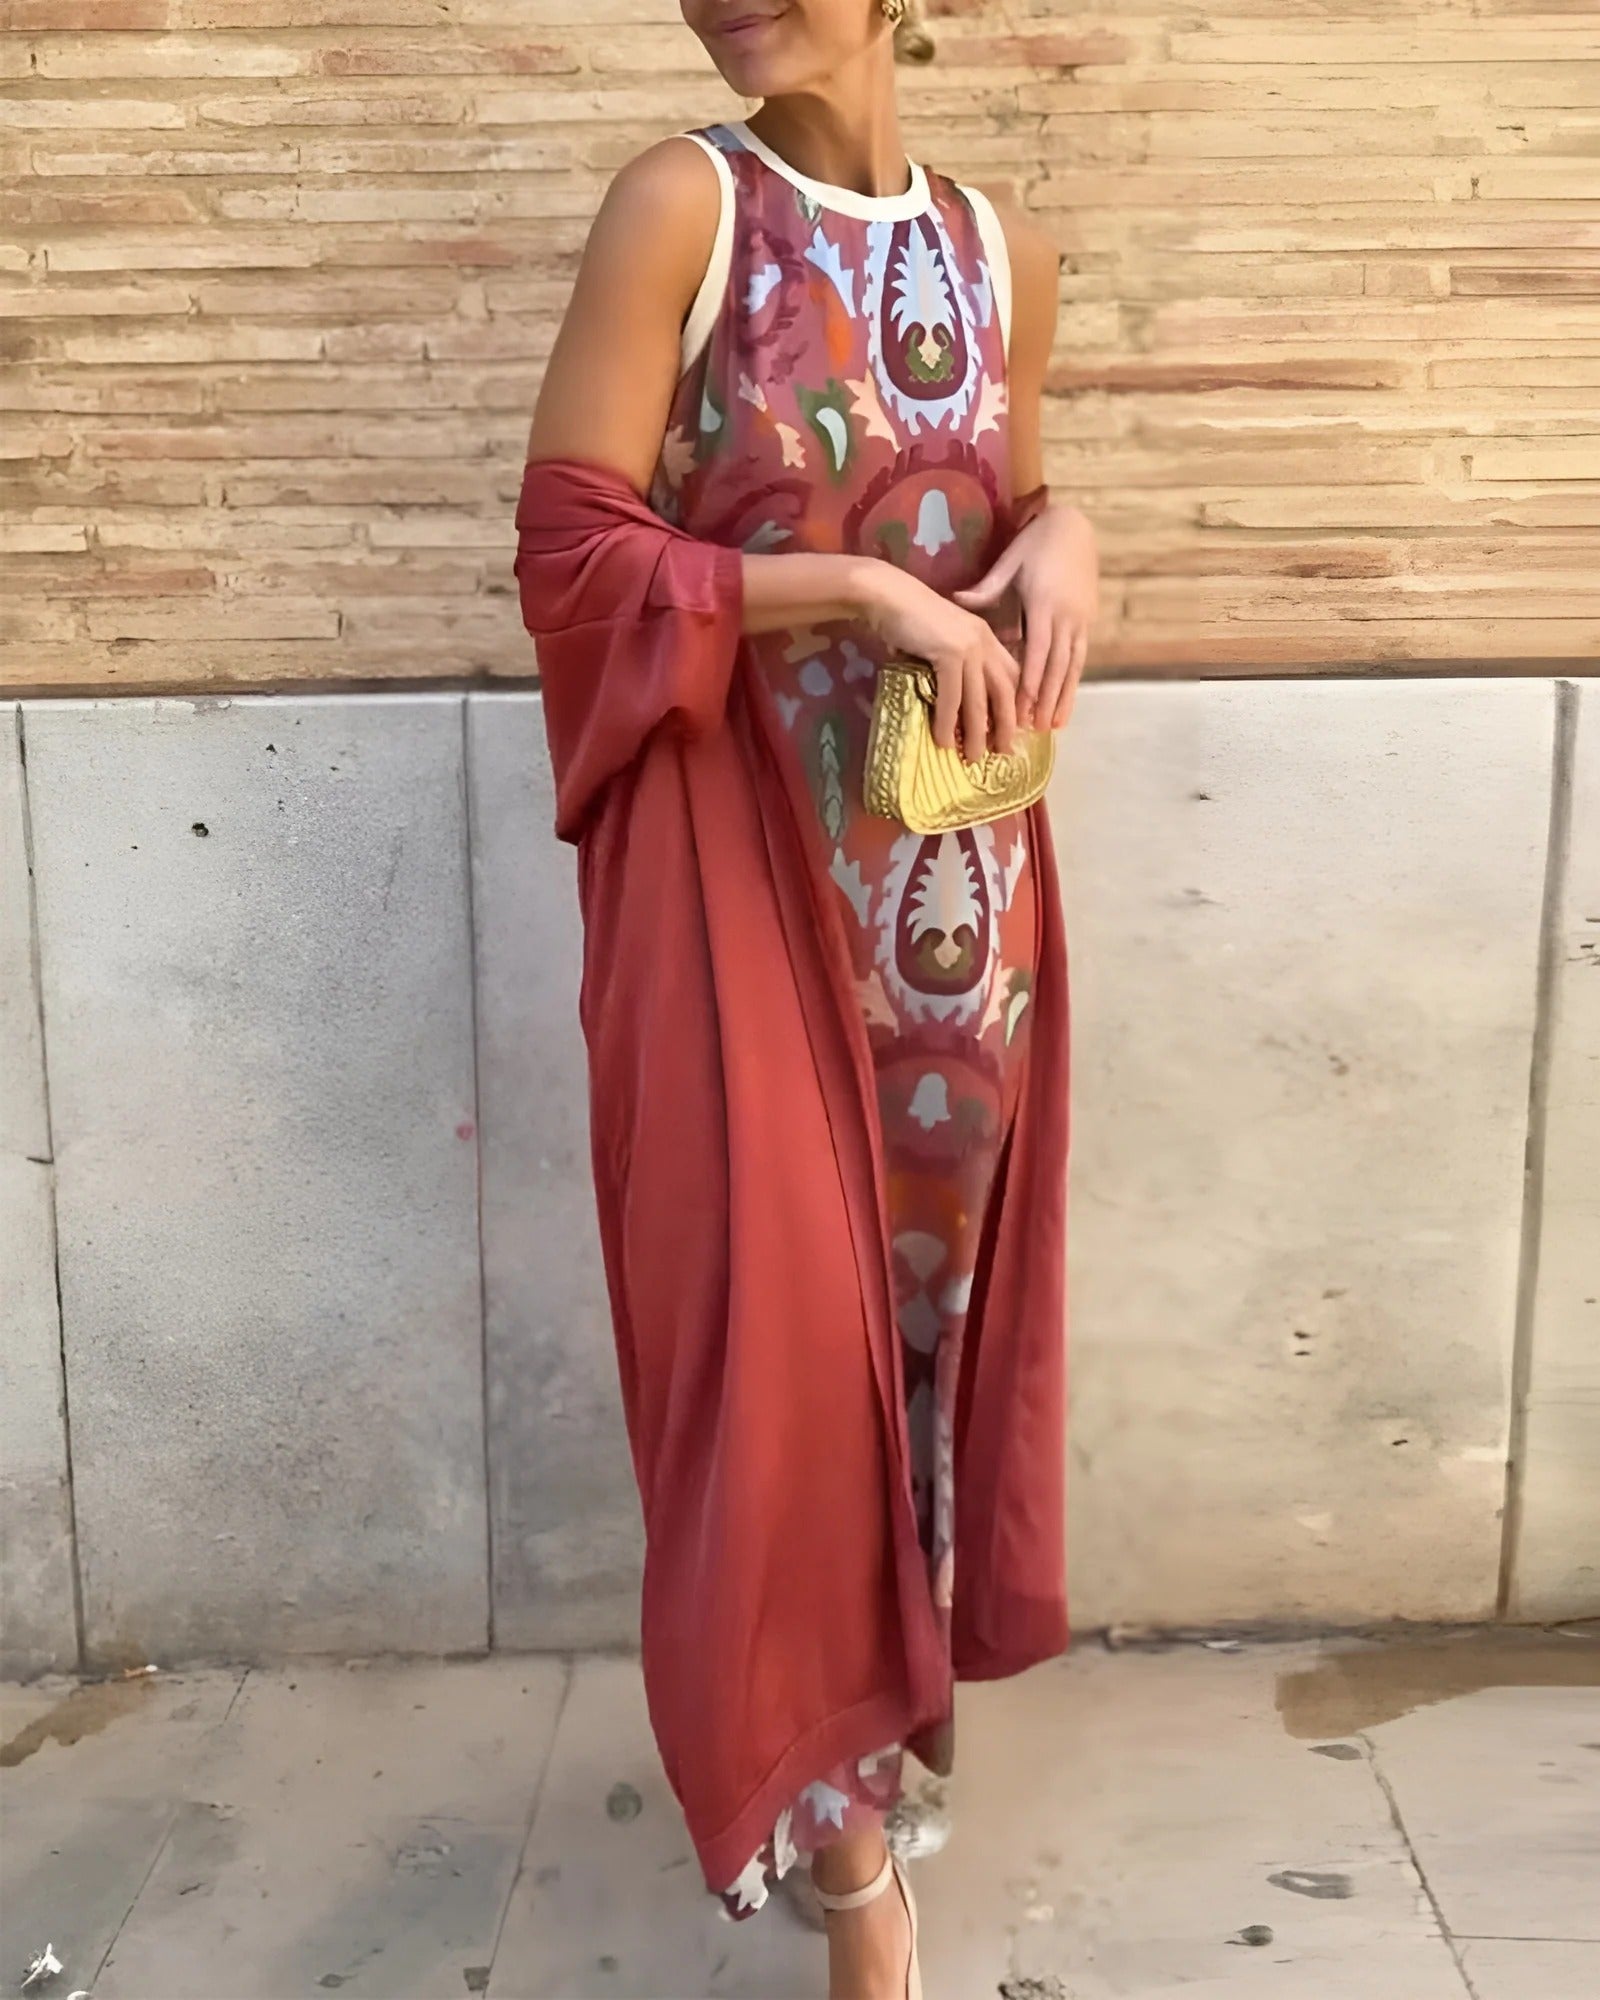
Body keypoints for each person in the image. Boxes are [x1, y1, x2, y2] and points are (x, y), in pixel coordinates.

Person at [514, 1, 1098, 1992]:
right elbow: (573, 550)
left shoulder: (999, 249)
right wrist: (854, 589)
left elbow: (1007, 506)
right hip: (737, 896)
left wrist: (1073, 535)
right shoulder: (682, 211)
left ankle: (882, 1760)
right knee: (772, 1375)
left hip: (956, 898)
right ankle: (854, 1887)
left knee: (925, 1354)